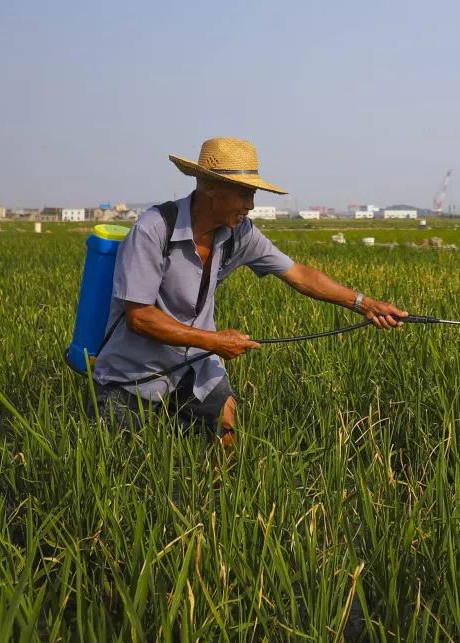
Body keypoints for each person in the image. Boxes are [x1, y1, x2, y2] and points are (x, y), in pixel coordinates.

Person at [92, 137, 407, 444]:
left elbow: (298, 274)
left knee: (225, 427)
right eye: (243, 193)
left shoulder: (239, 234)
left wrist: (366, 305)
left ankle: (221, 494)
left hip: (195, 365)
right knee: (130, 466)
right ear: (209, 186)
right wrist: (214, 341)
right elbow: (141, 318)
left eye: (253, 194)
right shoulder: (154, 229)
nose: (250, 205)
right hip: (134, 376)